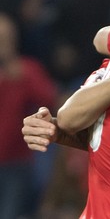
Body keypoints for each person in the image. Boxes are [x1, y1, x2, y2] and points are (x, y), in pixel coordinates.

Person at [0, 12, 58, 219]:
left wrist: (22, 78)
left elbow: (50, 101)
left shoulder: (27, 69)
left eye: (5, 39)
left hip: (15, 164)